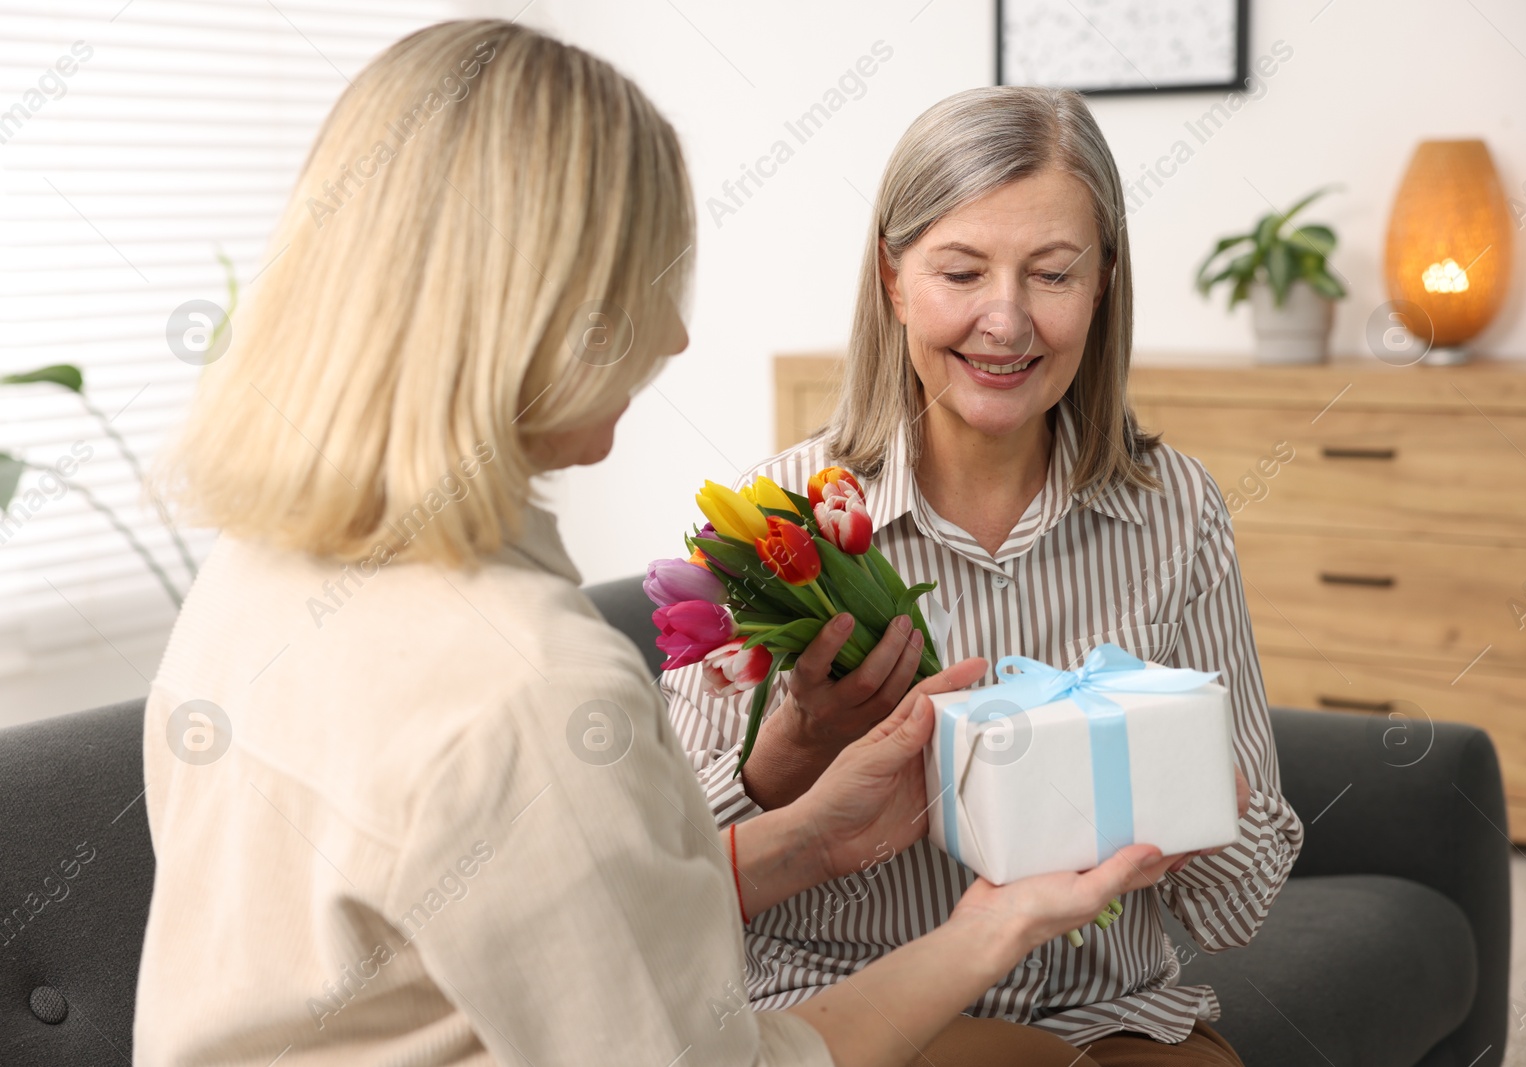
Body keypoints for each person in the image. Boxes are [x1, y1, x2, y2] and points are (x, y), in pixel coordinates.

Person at [135, 22, 1186, 1066]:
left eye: (1051, 272)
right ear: (543, 309)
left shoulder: (253, 577)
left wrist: (807, 836)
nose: (675, 338)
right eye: (650, 283)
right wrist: (992, 924)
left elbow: (533, 920)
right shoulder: (531, 688)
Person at [665, 86, 1305, 1065]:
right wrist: (786, 750)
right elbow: (657, 879)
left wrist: (1201, 801)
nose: (1004, 320)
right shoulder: (781, 520)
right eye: (960, 272)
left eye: (1052, 274)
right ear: (891, 279)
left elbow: (1237, 908)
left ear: (1102, 285)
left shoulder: (1175, 507)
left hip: (1113, 1009)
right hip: (853, 1004)